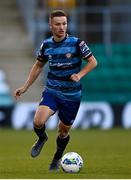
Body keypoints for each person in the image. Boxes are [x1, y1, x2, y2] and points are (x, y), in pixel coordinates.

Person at [14, 10, 98, 171]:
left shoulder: (77, 43)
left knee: (63, 131)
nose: (61, 27)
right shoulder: (46, 45)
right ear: (50, 25)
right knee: (38, 122)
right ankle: (42, 138)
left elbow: (93, 62)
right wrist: (25, 87)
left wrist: (79, 75)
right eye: (58, 24)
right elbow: (38, 65)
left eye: (64, 24)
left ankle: (57, 158)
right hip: (52, 90)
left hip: (72, 95)